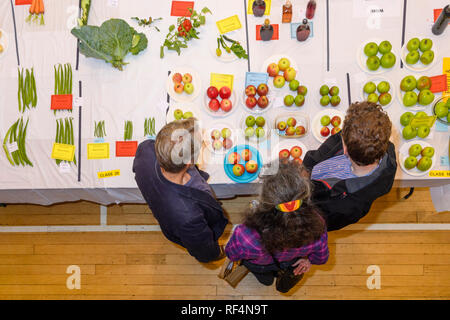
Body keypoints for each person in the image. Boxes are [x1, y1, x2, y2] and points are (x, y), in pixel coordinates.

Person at [133, 118, 228, 263]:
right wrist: (216, 253)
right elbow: (204, 251)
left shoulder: (146, 149)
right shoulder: (188, 217)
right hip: (180, 222)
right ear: (189, 162)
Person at [225, 161, 329, 293]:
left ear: (264, 199)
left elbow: (231, 254)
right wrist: (308, 260)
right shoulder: (318, 225)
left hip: (261, 265)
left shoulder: (246, 235)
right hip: (290, 262)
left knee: (265, 280)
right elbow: (321, 258)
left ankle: (267, 281)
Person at [303, 101, 397, 231]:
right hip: (306, 178)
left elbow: (317, 225)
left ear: (345, 149)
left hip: (305, 204)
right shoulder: (380, 144)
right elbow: (327, 148)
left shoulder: (347, 208)